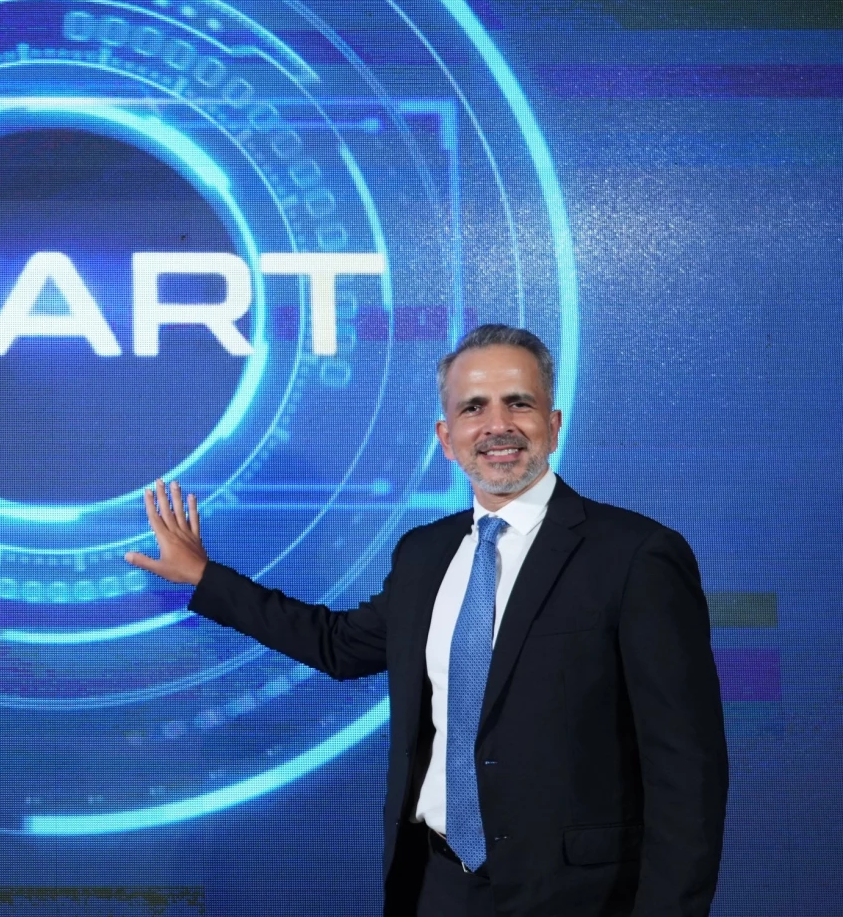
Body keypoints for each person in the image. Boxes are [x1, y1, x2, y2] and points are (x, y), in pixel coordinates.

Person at [125, 325, 727, 917]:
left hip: (579, 899)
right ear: (446, 437)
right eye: (473, 407)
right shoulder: (423, 554)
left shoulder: (635, 555)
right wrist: (206, 578)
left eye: (519, 403)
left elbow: (687, 771)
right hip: (435, 887)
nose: (497, 425)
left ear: (554, 423)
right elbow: (339, 645)